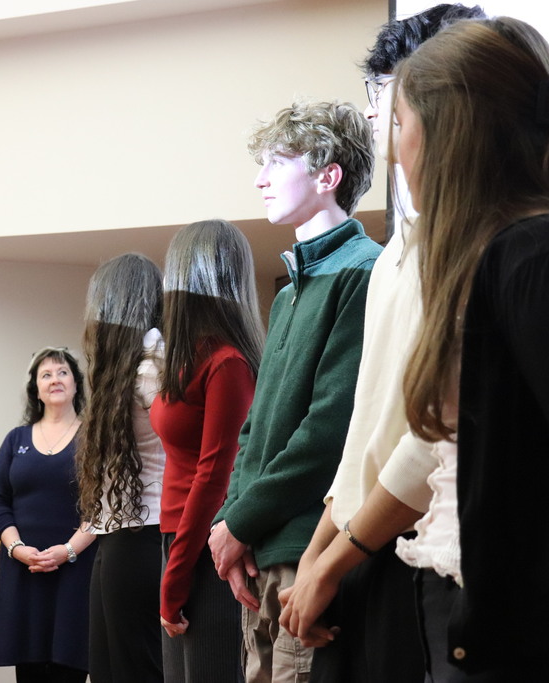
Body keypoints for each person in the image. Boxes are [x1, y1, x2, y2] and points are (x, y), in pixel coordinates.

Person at [392, 16, 549, 680]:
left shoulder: (544, 255)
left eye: (401, 124)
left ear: (449, 136)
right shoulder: (518, 253)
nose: (395, 150)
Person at [277, 6, 485, 683]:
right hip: (359, 538)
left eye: (389, 95)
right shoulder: (399, 247)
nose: (377, 116)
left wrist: (332, 562)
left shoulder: (472, 246)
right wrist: (315, 559)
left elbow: (424, 439)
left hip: (413, 545)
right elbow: (364, 432)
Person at [206, 100, 379, 683]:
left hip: (309, 546)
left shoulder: (364, 272)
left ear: (328, 175)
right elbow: (253, 428)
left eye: (277, 162)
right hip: (260, 550)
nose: (260, 178)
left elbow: (330, 429)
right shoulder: (287, 293)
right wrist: (231, 522)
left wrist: (239, 524)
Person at [150, 218, 265, 683]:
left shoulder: (227, 363)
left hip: (206, 548)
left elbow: (214, 477)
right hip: (177, 539)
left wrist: (174, 581)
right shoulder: (187, 358)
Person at [75, 253, 166, 683]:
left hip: (147, 533)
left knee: (137, 670)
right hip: (118, 536)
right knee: (107, 670)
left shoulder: (153, 364)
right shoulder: (121, 367)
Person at [0, 347, 97, 683]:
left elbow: (104, 504)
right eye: (45, 375)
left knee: (69, 668)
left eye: (62, 372)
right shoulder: (15, 439)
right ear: (35, 388)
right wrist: (16, 547)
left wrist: (69, 551)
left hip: (77, 571)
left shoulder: (94, 437)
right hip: (24, 570)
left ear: (76, 384)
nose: (55, 380)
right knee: (30, 670)